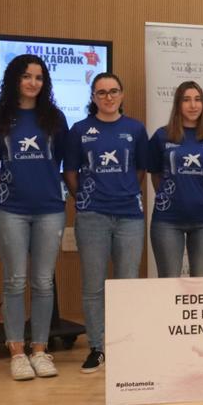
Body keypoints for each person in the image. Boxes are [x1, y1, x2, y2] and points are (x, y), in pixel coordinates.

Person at [0, 55, 68, 380]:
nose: (33, 82)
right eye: (26, 76)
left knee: (44, 282)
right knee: (15, 281)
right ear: (14, 80)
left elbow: (60, 161)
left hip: (50, 210)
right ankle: (17, 352)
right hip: (11, 212)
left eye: (39, 77)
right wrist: (2, 197)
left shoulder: (54, 118)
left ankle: (40, 350)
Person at [64, 72, 149, 374]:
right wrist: (85, 199)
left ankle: (125, 346)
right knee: (93, 286)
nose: (108, 97)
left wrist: (123, 191)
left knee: (126, 285)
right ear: (93, 97)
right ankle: (97, 347)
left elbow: (140, 170)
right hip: (92, 217)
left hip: (129, 217)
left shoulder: (135, 129)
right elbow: (70, 172)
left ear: (122, 95)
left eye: (113, 91)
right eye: (101, 92)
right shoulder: (79, 130)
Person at [148, 81, 203, 278]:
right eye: (186, 100)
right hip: (167, 221)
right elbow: (155, 174)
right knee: (168, 284)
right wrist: (172, 195)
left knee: (201, 286)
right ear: (178, 104)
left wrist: (198, 192)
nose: (193, 105)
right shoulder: (161, 136)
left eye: (198, 99)